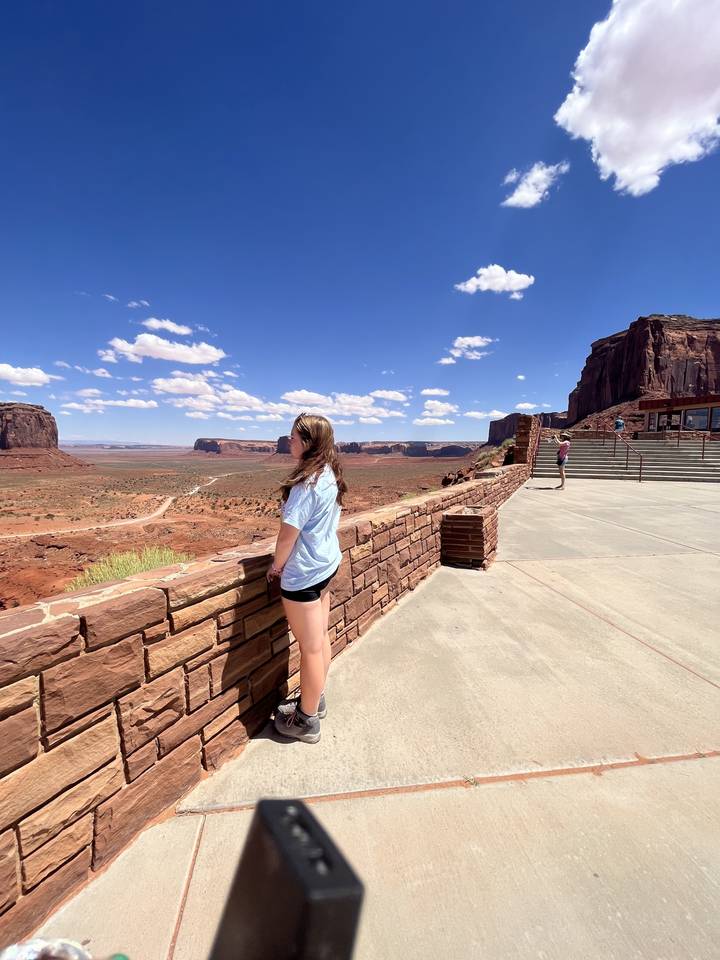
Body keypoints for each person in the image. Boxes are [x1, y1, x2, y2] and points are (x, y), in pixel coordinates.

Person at [267, 413, 346, 744]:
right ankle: (316, 698)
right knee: (320, 639)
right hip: (326, 565)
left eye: (294, 438)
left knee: (310, 648)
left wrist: (274, 567)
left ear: (309, 443)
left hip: (304, 575)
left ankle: (306, 720)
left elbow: (288, 537)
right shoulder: (328, 474)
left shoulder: (306, 485)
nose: (289, 442)